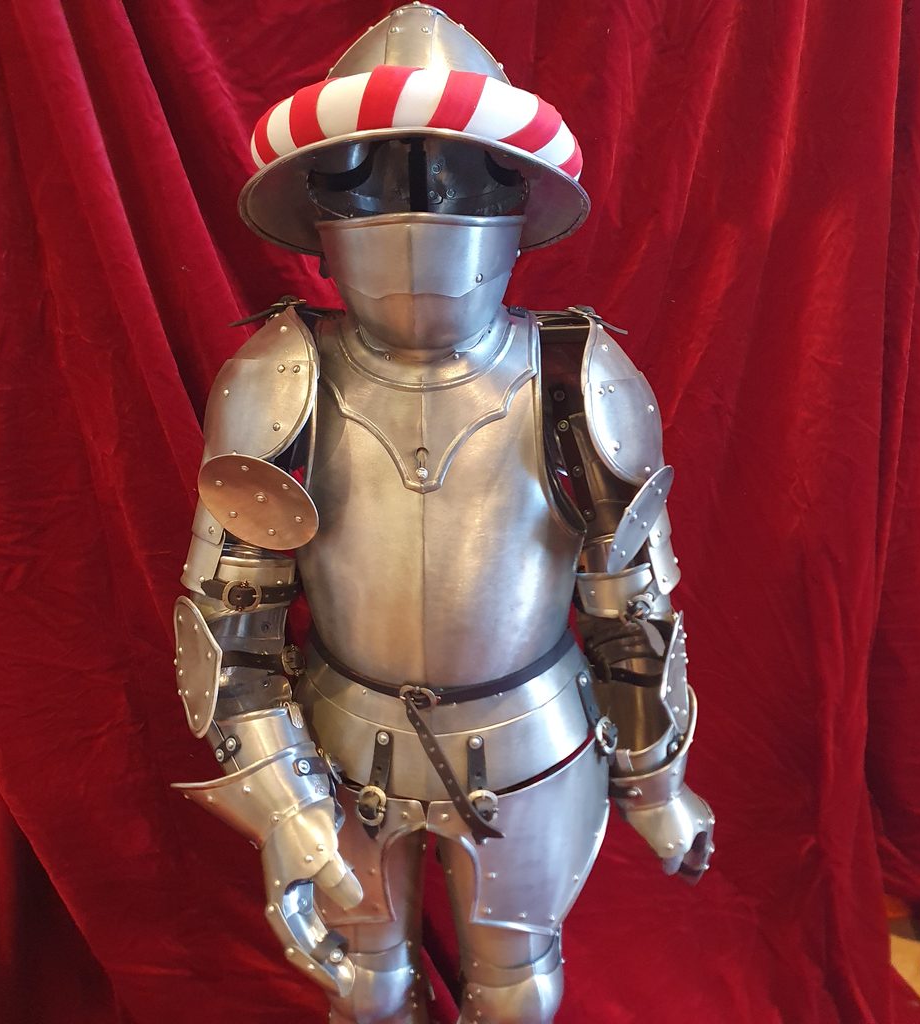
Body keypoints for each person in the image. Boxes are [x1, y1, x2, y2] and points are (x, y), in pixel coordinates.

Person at [172, 6, 714, 1022]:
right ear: (322, 213)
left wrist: (655, 783)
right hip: (339, 740)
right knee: (368, 990)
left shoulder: (575, 372)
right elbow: (230, 625)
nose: (416, 207)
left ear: (512, 199)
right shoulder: (278, 374)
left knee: (516, 991)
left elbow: (630, 608)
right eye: (372, 180)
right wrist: (283, 797)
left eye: (455, 176)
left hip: (534, 742)